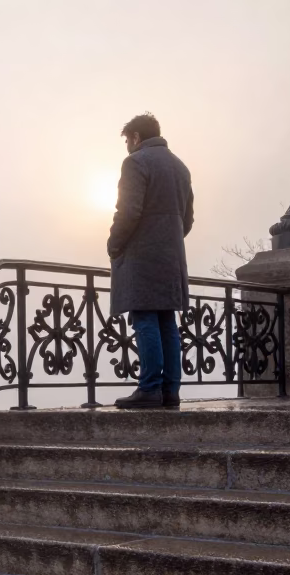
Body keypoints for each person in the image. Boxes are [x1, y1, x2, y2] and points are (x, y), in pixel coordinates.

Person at [107, 113, 194, 409]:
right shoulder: (180, 166)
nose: (128, 147)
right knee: (167, 320)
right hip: (171, 257)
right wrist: (169, 237)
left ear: (136, 137)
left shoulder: (135, 162)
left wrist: (114, 244)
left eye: (128, 140)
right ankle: (170, 390)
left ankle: (149, 388)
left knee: (144, 318)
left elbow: (128, 211)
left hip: (142, 257)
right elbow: (188, 218)